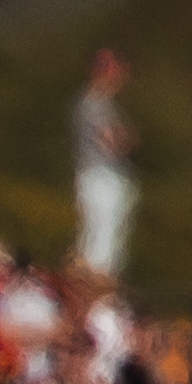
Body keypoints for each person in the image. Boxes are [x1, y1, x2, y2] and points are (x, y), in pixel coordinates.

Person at [69, 49, 133, 283]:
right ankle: (96, 284)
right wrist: (123, 138)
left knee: (105, 235)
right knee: (102, 237)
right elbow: (112, 140)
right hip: (100, 174)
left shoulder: (99, 103)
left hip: (100, 174)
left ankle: (98, 282)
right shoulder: (94, 103)